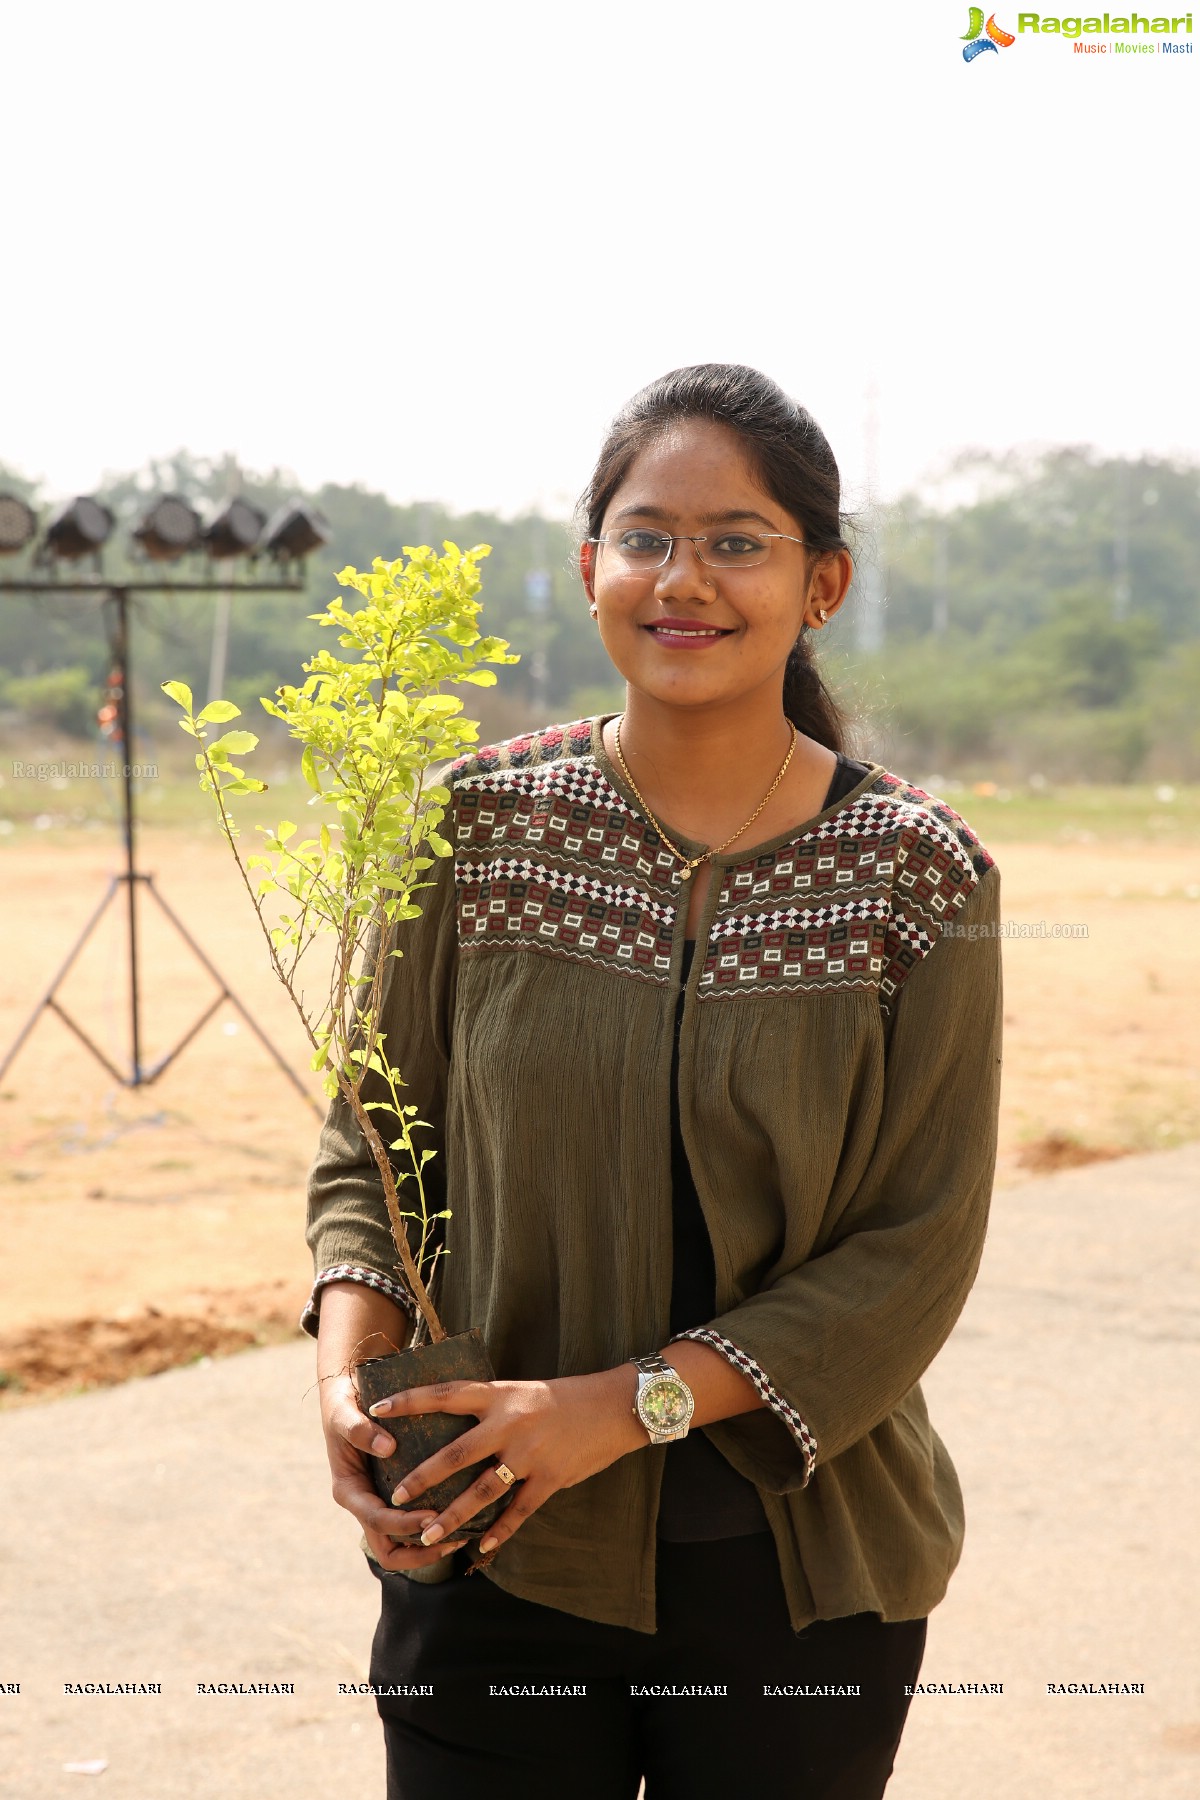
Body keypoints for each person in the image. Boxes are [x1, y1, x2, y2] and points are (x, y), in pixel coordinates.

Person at [303, 363, 1003, 1800]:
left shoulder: (918, 875)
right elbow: (374, 1151)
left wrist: (625, 1409)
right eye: (647, 536)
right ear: (589, 568)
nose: (685, 579)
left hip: (797, 1584)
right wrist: (344, 1381)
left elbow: (914, 1250)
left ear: (823, 584)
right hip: (490, 1544)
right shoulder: (474, 827)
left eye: (738, 540)